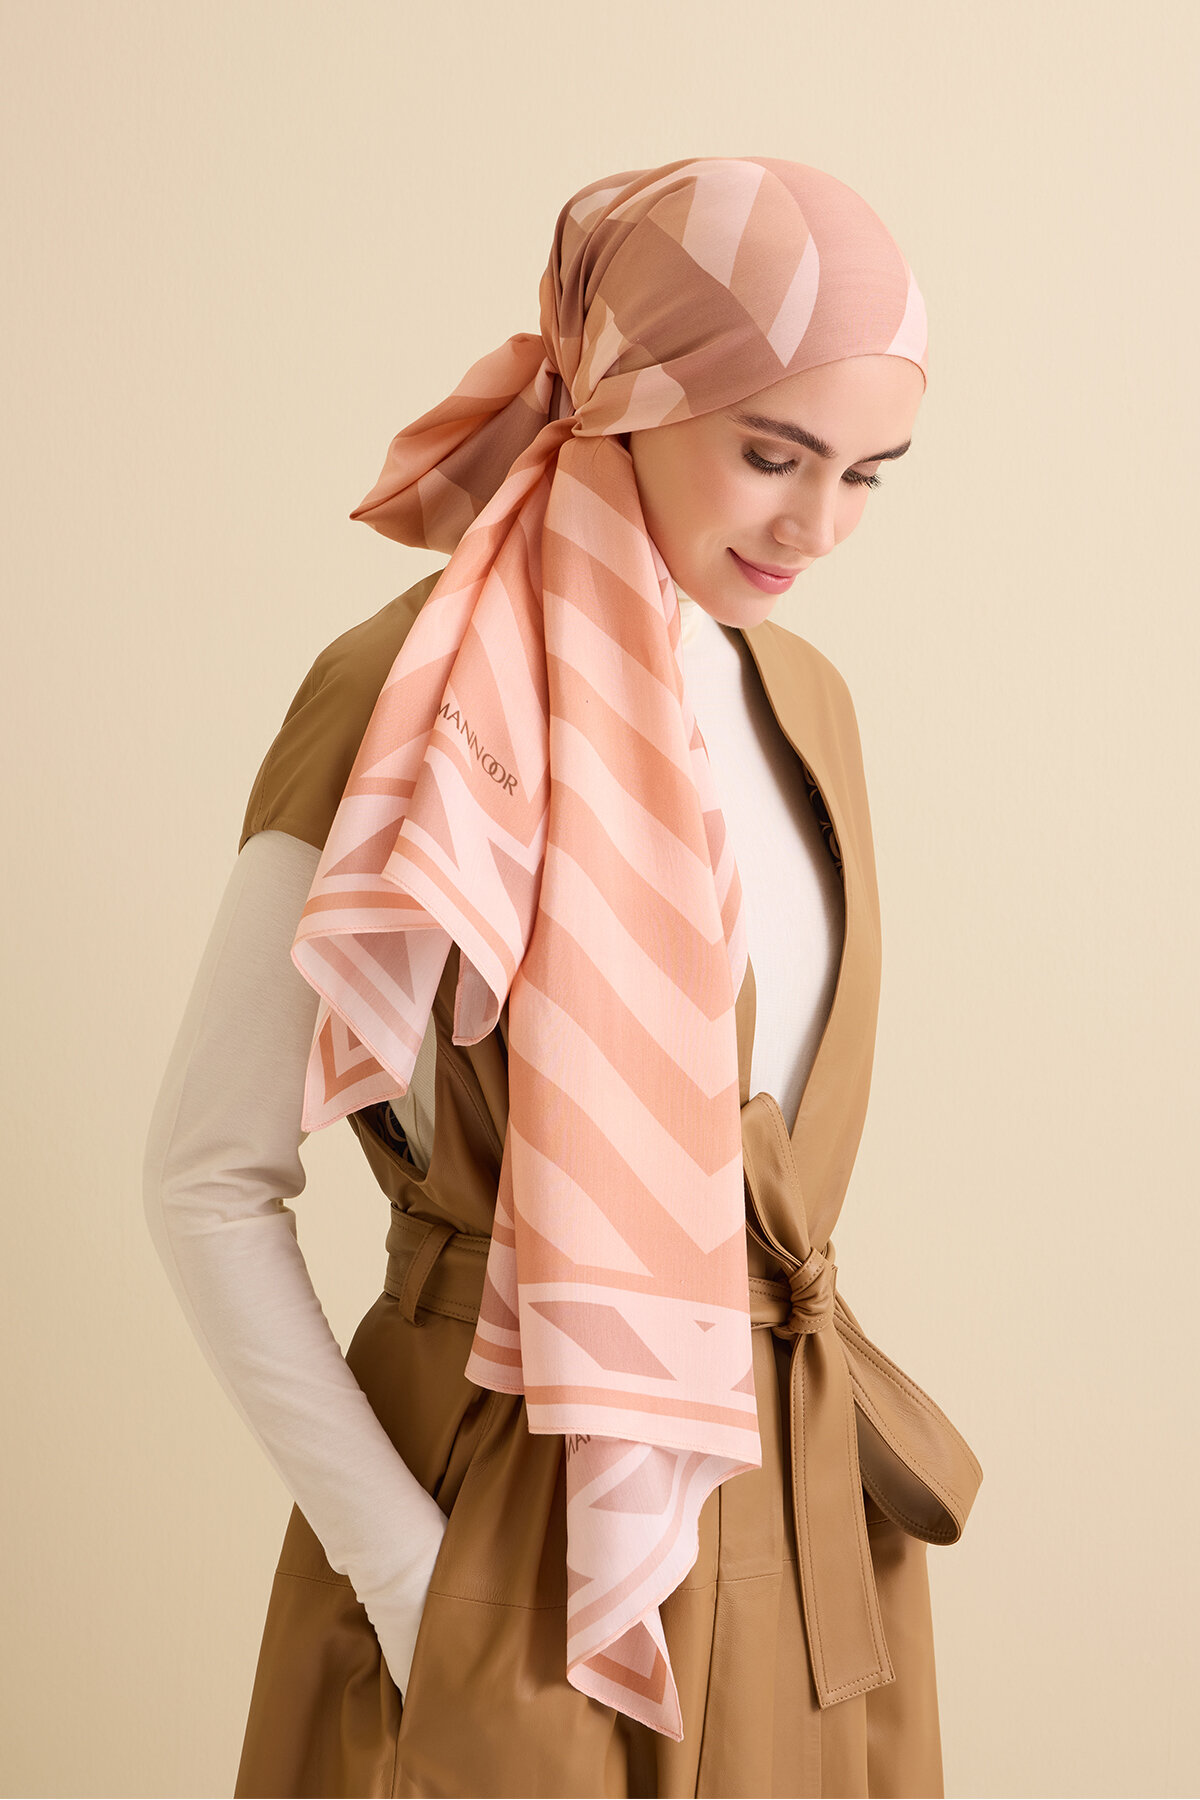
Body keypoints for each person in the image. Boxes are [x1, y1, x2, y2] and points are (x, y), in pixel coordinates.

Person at [143, 156, 983, 1799]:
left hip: (794, 1515)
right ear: (626, 392)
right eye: (771, 454)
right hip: (495, 1522)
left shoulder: (809, 703)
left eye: (869, 475)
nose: (817, 527)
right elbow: (204, 1178)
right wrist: (410, 1582)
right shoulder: (411, 693)